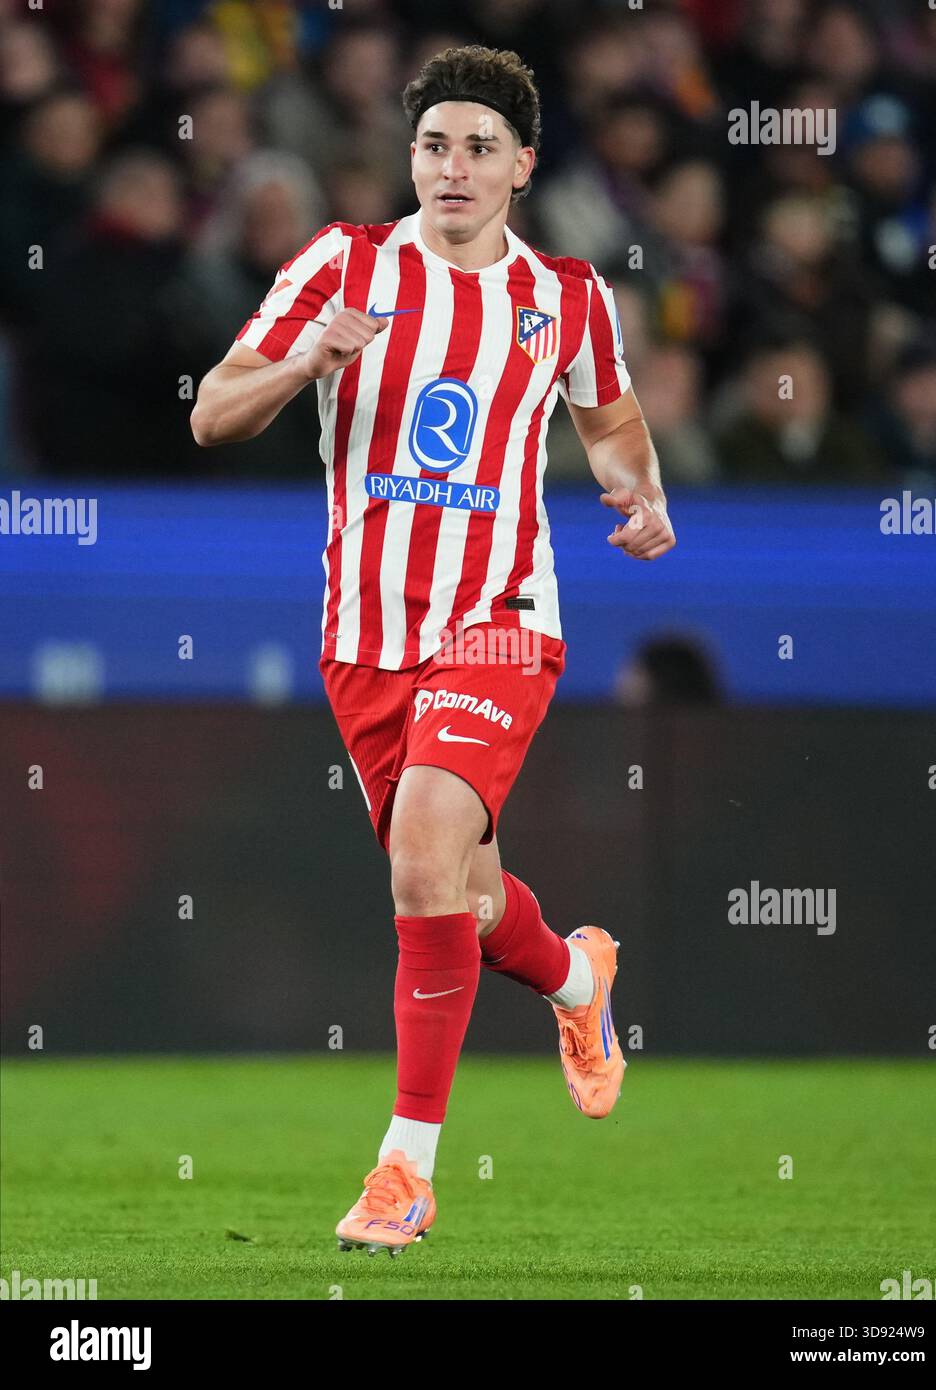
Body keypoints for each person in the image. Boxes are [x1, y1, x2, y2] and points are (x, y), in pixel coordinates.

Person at [190, 44, 676, 1257]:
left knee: (419, 868)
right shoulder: (344, 264)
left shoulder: (565, 295)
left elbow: (611, 418)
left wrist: (640, 493)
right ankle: (575, 977)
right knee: (457, 891)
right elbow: (212, 408)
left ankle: (404, 1171)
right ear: (411, 158)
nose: (451, 167)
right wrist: (308, 359)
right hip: (365, 640)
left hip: (502, 618)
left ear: (521, 166)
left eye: (476, 147)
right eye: (432, 145)